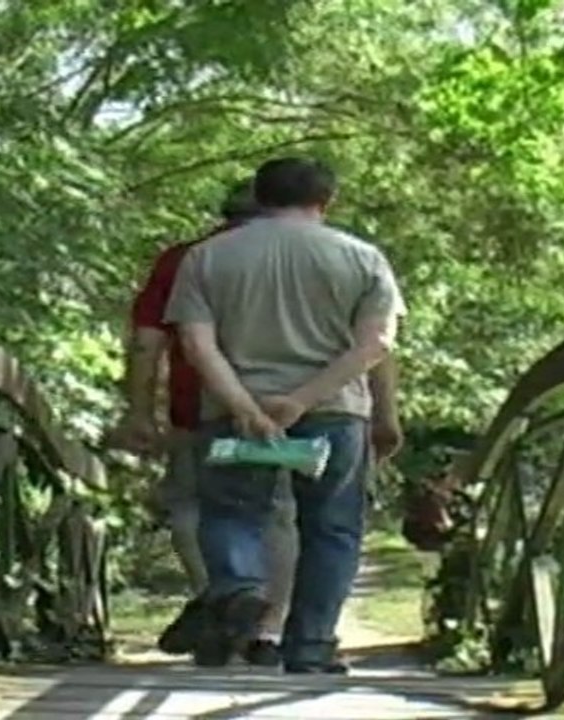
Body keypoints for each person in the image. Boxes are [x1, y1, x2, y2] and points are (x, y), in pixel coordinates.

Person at [165, 157, 405, 671]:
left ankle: (239, 589)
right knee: (332, 528)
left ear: (258, 195)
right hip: (335, 412)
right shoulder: (363, 258)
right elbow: (376, 343)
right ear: (327, 200)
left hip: (234, 412)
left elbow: (195, 344)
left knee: (231, 512)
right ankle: (312, 647)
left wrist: (245, 406)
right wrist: (302, 398)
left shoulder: (206, 258)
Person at [108, 179, 297, 666]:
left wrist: (140, 410)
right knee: (276, 511)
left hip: (200, 409)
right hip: (290, 407)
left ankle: (224, 599)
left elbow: (148, 342)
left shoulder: (185, 259)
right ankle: (268, 632)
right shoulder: (316, 254)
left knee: (195, 504)